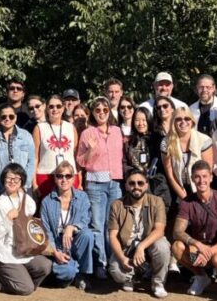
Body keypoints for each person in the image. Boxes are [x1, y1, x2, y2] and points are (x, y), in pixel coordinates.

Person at [171, 161, 217, 296]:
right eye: (197, 177)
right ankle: (201, 277)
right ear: (192, 179)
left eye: (205, 176)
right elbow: (177, 231)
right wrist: (197, 244)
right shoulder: (187, 202)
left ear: (211, 177)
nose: (201, 180)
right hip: (199, 245)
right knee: (176, 247)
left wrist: (209, 251)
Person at [0, 164, 53, 295]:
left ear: (22, 181)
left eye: (16, 179)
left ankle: (19, 278)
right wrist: (8, 219)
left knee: (45, 266)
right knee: (26, 289)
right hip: (6, 255)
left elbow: (32, 209)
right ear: (3, 180)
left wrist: (23, 196)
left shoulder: (25, 198)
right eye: (8, 178)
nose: (12, 182)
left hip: (24, 249)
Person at [76, 96, 125, 278]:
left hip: (115, 183)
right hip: (95, 183)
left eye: (105, 110)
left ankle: (114, 261)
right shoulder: (88, 133)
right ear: (93, 113)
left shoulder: (117, 131)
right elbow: (80, 161)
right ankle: (100, 263)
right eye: (98, 110)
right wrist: (90, 149)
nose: (102, 113)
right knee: (97, 225)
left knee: (113, 225)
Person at [107, 170, 172, 298]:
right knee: (115, 271)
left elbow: (160, 230)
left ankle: (158, 282)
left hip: (149, 244)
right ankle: (130, 277)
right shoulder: (117, 205)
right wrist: (121, 258)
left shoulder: (157, 201)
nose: (136, 186)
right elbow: (112, 236)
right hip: (128, 247)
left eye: (140, 183)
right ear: (126, 186)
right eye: (132, 183)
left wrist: (141, 247)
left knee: (163, 246)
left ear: (146, 185)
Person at [39, 162, 94, 290]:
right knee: (66, 274)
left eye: (68, 176)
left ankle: (83, 274)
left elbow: (86, 219)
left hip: (75, 241)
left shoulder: (82, 197)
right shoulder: (47, 202)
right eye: (59, 176)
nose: (64, 179)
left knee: (87, 234)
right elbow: (47, 232)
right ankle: (72, 270)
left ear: (73, 178)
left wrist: (72, 227)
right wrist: (55, 252)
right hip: (58, 246)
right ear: (55, 178)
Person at [162, 108, 215, 207]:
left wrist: (199, 195)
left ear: (192, 121)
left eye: (187, 119)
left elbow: (208, 172)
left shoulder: (204, 140)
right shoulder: (166, 142)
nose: (183, 122)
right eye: (178, 119)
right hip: (178, 190)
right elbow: (170, 175)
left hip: (201, 187)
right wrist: (185, 198)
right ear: (173, 121)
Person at [0, 104, 35, 195]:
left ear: (15, 117)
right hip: (1, 189)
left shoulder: (26, 136)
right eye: (4, 117)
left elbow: (31, 163)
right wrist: (0, 187)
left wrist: (23, 185)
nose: (7, 119)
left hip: (23, 189)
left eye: (11, 116)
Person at [124, 107, 171, 207]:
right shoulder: (129, 142)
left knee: (161, 211)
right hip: (137, 185)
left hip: (158, 183)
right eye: (137, 120)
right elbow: (124, 163)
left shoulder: (159, 139)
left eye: (144, 120)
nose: (140, 123)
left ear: (149, 120)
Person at [32, 95, 79, 196]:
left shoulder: (71, 127)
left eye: (58, 106)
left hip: (69, 176)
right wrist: (34, 183)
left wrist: (80, 179)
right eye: (51, 106)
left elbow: (75, 156)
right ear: (46, 108)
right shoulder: (39, 128)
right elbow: (34, 158)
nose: (55, 109)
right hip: (46, 175)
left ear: (63, 108)